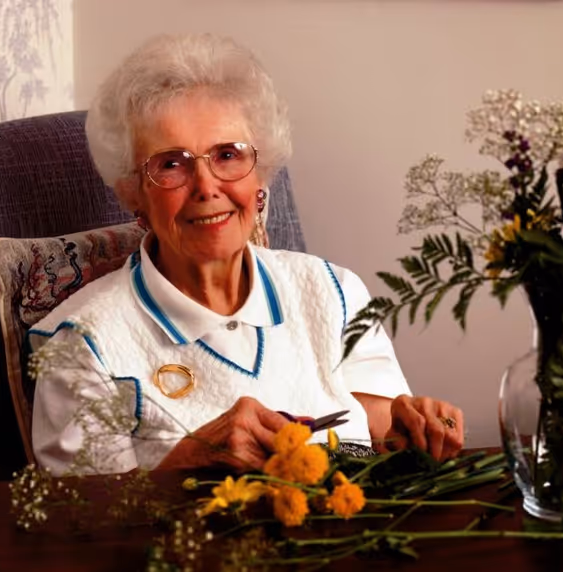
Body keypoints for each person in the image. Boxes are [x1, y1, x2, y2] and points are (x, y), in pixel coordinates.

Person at [30, 33, 464, 476]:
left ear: (260, 175)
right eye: (171, 163)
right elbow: (77, 521)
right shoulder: (81, 346)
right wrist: (186, 463)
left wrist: (420, 428)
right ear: (133, 192)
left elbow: (380, 432)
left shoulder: (335, 293)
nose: (206, 186)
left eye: (228, 154)